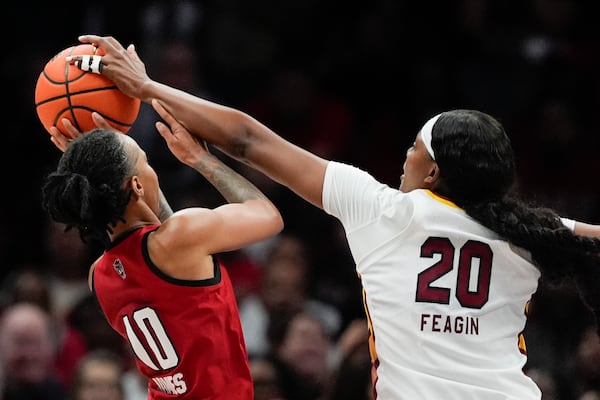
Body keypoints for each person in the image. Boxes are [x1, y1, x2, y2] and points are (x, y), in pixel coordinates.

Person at [67, 34, 600, 400]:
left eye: (414, 147)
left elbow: (249, 139)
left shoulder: (381, 209)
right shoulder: (531, 231)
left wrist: (149, 87)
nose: (404, 157)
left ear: (434, 171)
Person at [40, 100, 284, 398]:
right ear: (137, 186)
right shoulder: (180, 238)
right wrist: (199, 158)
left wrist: (98, 165)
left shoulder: (99, 276)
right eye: (145, 161)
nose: (151, 169)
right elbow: (268, 215)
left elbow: (160, 237)